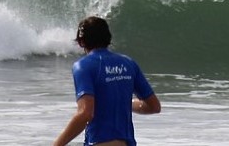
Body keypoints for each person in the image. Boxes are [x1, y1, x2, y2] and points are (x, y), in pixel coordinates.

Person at [53, 16, 161, 146]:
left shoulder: (83, 66)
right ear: (108, 38)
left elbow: (85, 113)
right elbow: (154, 106)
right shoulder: (128, 63)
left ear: (81, 42)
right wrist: (123, 102)